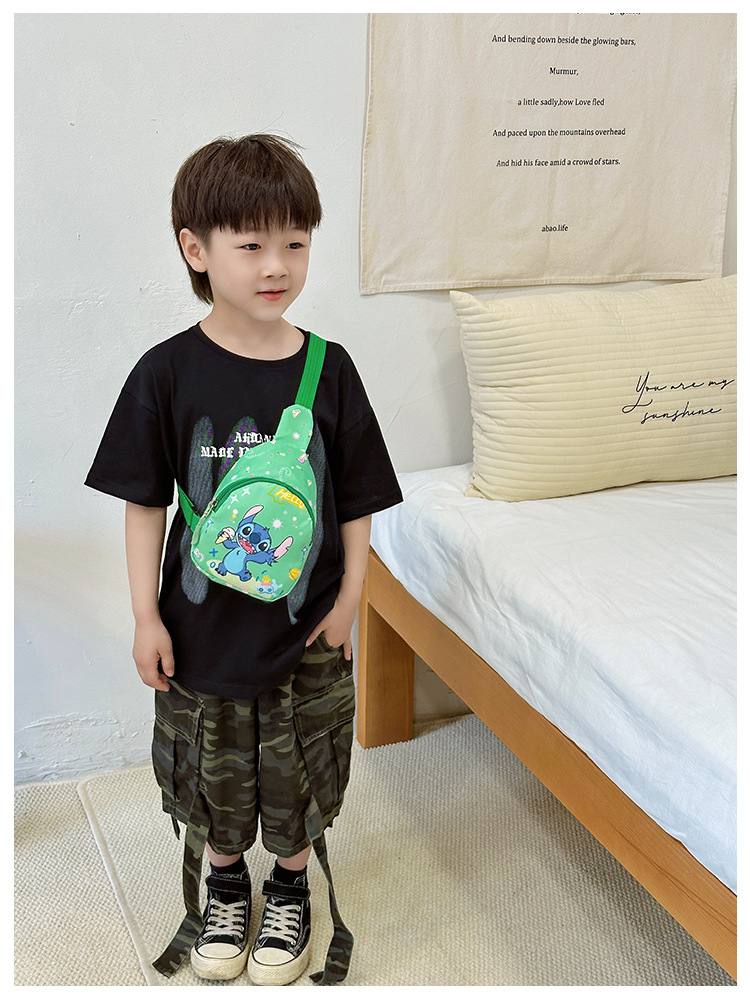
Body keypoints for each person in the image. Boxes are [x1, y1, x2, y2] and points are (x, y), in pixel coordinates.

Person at [85, 134, 402, 986]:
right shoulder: (166, 372)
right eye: (252, 244)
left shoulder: (330, 370)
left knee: (300, 768)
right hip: (199, 630)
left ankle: (289, 885)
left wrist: (351, 600)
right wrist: (145, 615)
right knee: (214, 771)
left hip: (306, 632)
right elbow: (144, 501)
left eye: (295, 242)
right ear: (196, 249)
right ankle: (226, 883)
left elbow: (357, 498)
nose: (277, 266)